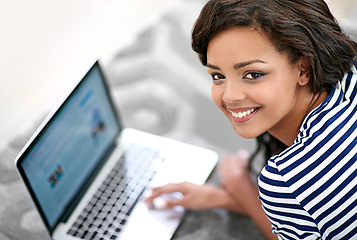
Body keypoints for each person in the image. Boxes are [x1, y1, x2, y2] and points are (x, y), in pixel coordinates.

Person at [146, 0, 357, 239]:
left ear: (303, 69)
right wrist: (226, 198)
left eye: (253, 74)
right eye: (218, 75)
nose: (230, 96)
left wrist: (241, 187)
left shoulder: (286, 179)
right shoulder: (351, 71)